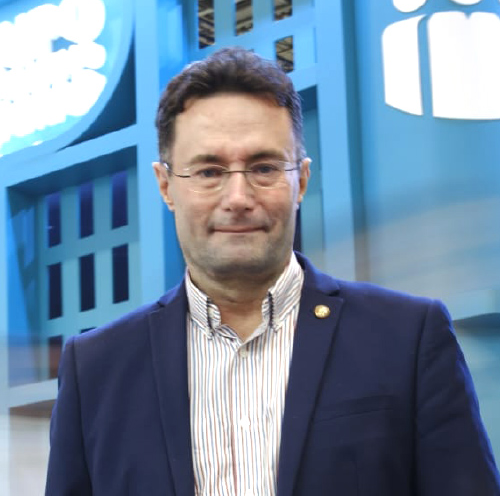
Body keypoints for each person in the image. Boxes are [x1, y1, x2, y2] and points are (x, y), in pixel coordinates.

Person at [45, 47, 500, 496]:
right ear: (166, 186)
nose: (238, 197)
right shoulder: (96, 369)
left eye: (263, 168)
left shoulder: (407, 337)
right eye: (209, 171)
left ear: (301, 181)